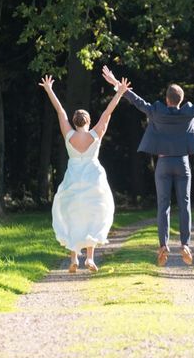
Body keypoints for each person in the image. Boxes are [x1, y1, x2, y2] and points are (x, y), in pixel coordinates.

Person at [101, 62, 194, 266]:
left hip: (163, 165)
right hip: (182, 164)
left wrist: (116, 83)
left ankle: (163, 246)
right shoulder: (188, 113)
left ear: (166, 99)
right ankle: (185, 244)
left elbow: (136, 100)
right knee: (185, 205)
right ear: (181, 99)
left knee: (163, 206)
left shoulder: (156, 112)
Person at [38, 74, 131, 273]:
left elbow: (60, 111)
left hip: (73, 177)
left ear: (74, 121)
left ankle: (74, 258)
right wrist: (120, 93)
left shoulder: (69, 135)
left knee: (73, 216)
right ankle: (89, 258)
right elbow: (107, 112)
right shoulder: (95, 134)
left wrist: (49, 89)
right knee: (93, 215)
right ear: (88, 121)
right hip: (93, 179)